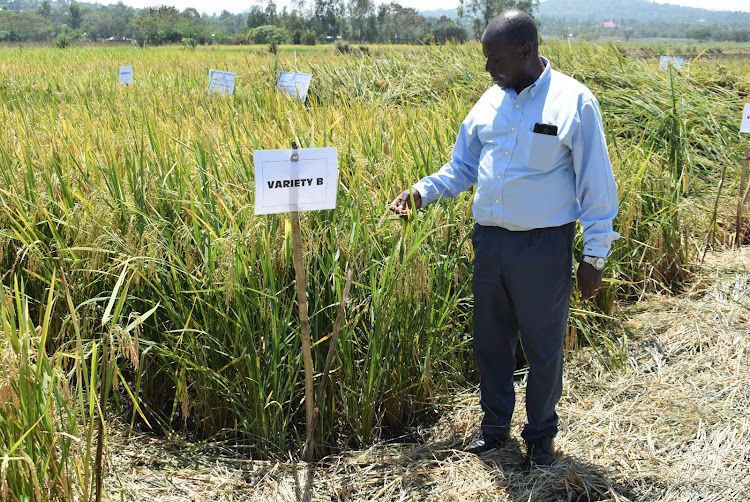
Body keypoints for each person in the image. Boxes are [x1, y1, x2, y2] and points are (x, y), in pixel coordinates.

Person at [389, 9, 619, 467]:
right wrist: (421, 192)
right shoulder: (489, 102)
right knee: (491, 343)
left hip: (543, 246)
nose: (489, 69)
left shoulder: (572, 101)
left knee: (542, 345)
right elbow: (462, 168)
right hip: (490, 244)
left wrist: (595, 255)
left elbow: (596, 181)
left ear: (526, 51)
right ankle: (494, 430)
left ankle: (539, 438)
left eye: (495, 59)